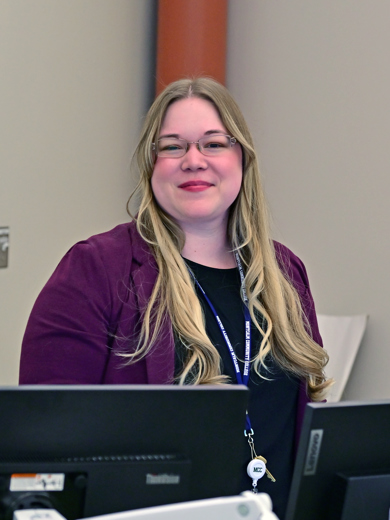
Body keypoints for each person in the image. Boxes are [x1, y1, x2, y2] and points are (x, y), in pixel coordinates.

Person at [20, 77, 331, 518]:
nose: (193, 161)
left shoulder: (284, 274)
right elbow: (45, 439)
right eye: (172, 147)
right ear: (151, 165)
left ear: (242, 158)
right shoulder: (94, 270)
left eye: (213, 144)